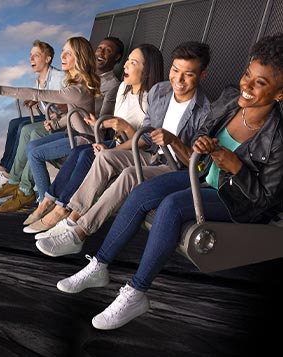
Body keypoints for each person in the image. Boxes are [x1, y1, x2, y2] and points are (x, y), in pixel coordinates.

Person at [55, 32, 283, 331]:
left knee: (172, 205)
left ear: (279, 94)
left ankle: (136, 291)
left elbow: (264, 199)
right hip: (200, 176)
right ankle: (99, 265)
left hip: (234, 200)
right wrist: (203, 143)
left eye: (260, 83)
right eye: (247, 75)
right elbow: (202, 134)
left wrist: (237, 166)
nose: (247, 86)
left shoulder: (277, 137)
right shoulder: (230, 98)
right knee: (141, 190)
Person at [35, 41, 212, 257]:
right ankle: (71, 220)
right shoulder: (161, 91)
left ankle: (79, 234)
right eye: (175, 71)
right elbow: (145, 136)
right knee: (105, 158)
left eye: (189, 74)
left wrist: (173, 141)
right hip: (151, 155)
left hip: (172, 166)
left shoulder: (205, 111)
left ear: (202, 75)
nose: (179, 80)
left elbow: (197, 164)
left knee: (128, 175)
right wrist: (115, 151)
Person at [23, 43, 163, 232]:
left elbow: (147, 142)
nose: (125, 66)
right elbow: (115, 124)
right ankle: (48, 201)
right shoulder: (124, 88)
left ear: (147, 70)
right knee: (79, 152)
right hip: (118, 141)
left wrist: (122, 133)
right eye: (127, 61)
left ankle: (62, 208)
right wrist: (100, 123)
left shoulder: (152, 99)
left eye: (132, 62)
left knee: (86, 154)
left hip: (135, 150)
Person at [0, 37, 124, 212]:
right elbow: (75, 111)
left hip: (87, 136)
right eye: (63, 51)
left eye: (68, 53)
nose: (63, 56)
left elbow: (42, 95)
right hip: (72, 127)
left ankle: (42, 200)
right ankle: (20, 185)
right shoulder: (78, 81)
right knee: (29, 142)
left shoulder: (102, 85)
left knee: (35, 146)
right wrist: (56, 122)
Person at [0, 40, 66, 192]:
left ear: (48, 58)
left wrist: (54, 107)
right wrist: (36, 101)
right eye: (30, 55)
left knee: (24, 128)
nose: (31, 59)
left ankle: (9, 176)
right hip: (47, 116)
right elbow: (41, 96)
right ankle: (2, 167)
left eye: (36, 55)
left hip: (59, 120)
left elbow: (66, 101)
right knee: (14, 123)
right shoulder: (39, 80)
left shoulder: (60, 77)